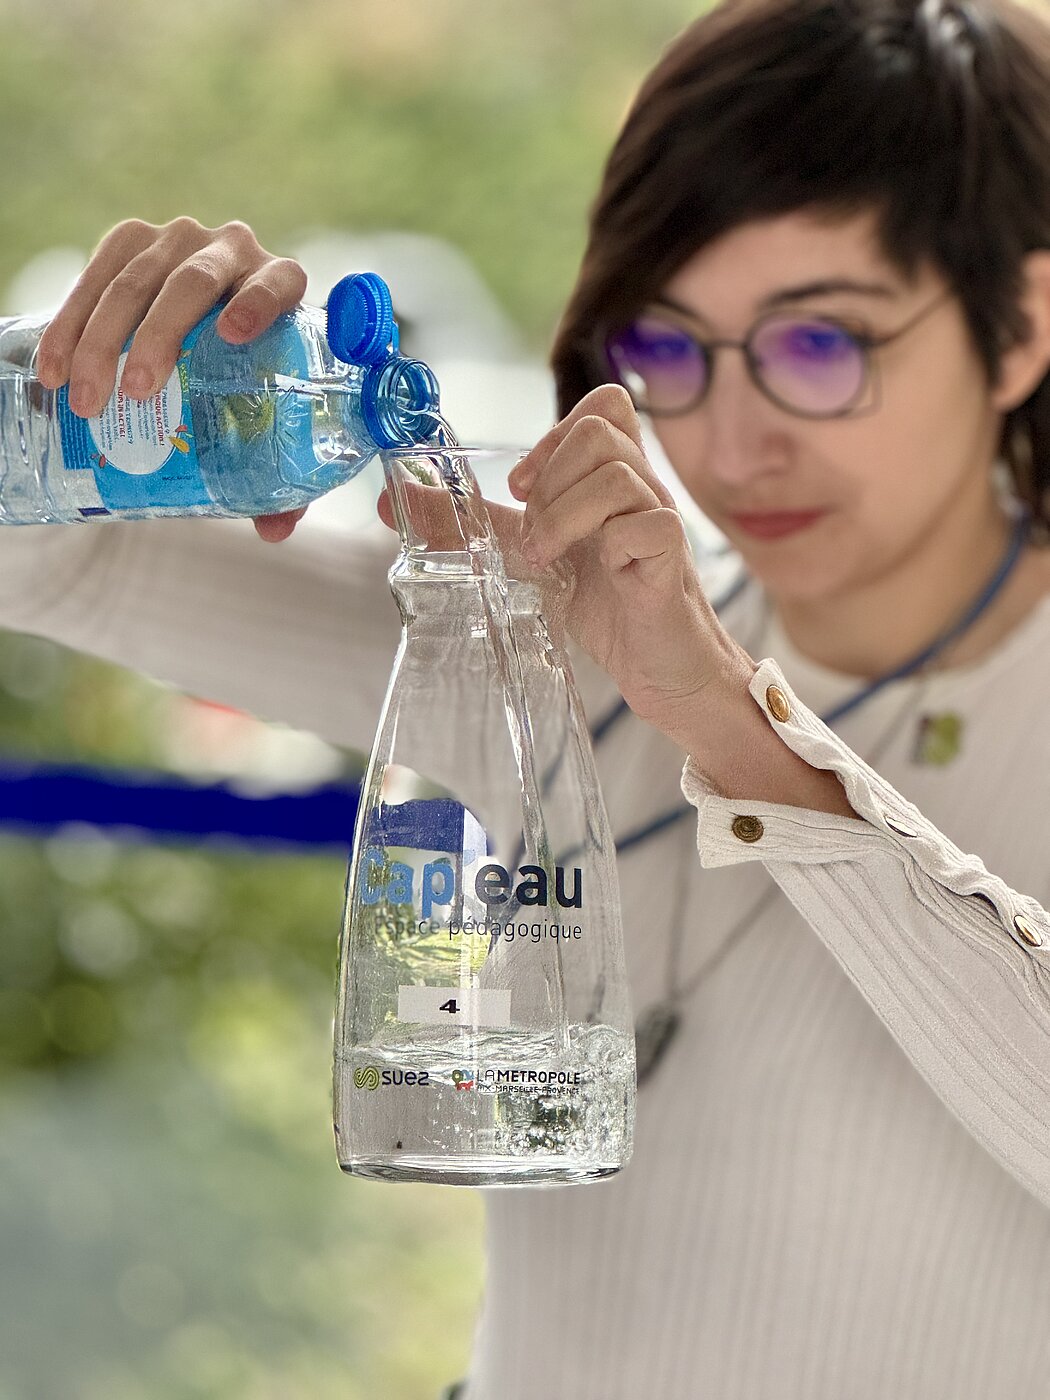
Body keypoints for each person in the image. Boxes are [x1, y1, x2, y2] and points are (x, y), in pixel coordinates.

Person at [8, 0, 1050, 1393]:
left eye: (821, 347)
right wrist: (95, 384)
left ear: (1021, 327)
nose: (732, 441)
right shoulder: (556, 634)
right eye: (668, 350)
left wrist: (731, 726)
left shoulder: (669, 656)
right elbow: (60, 567)